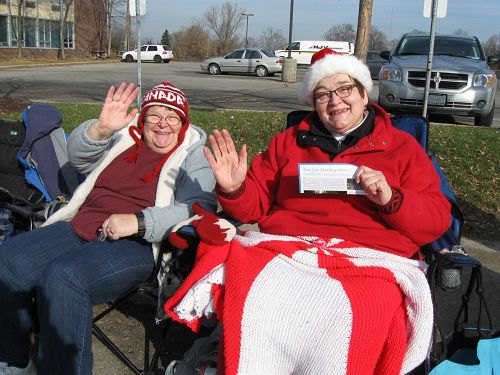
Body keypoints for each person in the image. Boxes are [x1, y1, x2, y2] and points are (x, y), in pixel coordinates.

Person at [164, 49, 452, 375]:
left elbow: (435, 221)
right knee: (252, 290)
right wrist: (234, 189)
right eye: (323, 94)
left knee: (365, 308)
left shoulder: (401, 148)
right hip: (287, 248)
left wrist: (391, 198)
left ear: (363, 93)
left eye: (344, 89)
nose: (335, 102)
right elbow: (253, 205)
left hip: (370, 257)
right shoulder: (289, 143)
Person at [0, 81, 217, 375]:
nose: (163, 124)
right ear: (143, 118)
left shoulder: (193, 153)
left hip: (138, 244)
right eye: (154, 115)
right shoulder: (126, 137)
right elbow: (78, 159)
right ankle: (15, 362)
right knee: (7, 260)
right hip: (81, 225)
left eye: (172, 116)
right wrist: (100, 130)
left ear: (183, 121)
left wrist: (140, 221)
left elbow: (198, 207)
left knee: (64, 278)